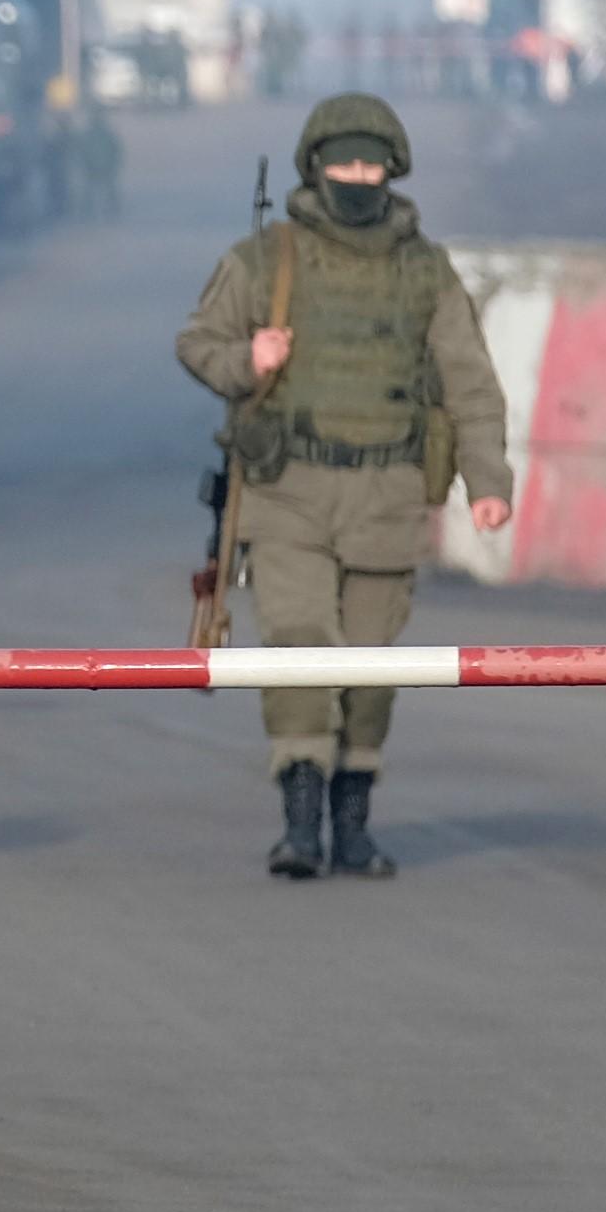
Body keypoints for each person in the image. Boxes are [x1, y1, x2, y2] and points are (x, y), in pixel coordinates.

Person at [175, 91, 512, 881]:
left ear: (392, 171)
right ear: (314, 168)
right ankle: (299, 818)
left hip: (388, 491)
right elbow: (198, 341)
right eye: (342, 163)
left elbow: (471, 384)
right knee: (298, 646)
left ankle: (352, 822)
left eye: (370, 164)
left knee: (370, 663)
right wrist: (246, 360)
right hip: (287, 488)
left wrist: (486, 480)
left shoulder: (425, 271)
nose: (357, 177)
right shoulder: (265, 259)